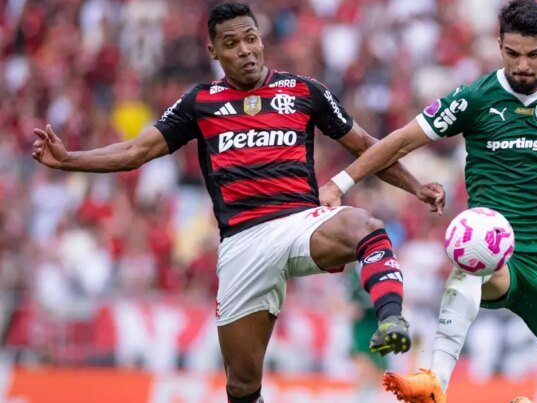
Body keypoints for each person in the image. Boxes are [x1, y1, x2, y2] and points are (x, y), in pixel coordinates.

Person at [30, 3, 445, 403]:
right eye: (232, 43)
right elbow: (135, 152)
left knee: (366, 228)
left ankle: (391, 318)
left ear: (261, 39)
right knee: (243, 388)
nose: (245, 49)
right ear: (213, 51)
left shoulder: (303, 91)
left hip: (301, 223)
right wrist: (69, 160)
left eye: (251, 39)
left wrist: (415, 186)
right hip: (242, 245)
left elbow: (366, 147)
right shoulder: (200, 102)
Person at [320, 1, 537, 402]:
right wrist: (340, 181)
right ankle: (435, 380)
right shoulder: (474, 98)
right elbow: (400, 140)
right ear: (499, 45)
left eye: (533, 55)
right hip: (497, 248)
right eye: (512, 53)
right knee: (476, 241)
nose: (522, 65)